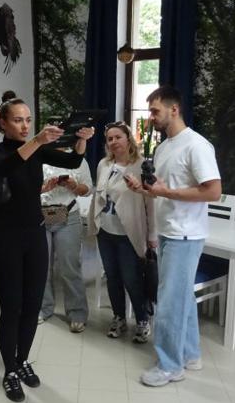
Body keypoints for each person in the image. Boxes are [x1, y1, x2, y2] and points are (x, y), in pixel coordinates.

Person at [0, 99, 94, 402]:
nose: (25, 125)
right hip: (5, 238)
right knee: (12, 307)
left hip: (34, 234)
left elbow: (73, 162)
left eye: (28, 119)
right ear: (3, 123)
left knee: (32, 306)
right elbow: (3, 168)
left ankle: (21, 361)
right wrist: (36, 140)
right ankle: (9, 370)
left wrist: (81, 140)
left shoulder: (37, 150)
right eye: (17, 120)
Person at [126, 86, 221, 386]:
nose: (151, 117)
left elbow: (213, 192)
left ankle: (170, 366)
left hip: (186, 235)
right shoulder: (164, 147)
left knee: (168, 302)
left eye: (155, 111)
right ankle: (191, 355)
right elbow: (162, 190)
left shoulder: (197, 145)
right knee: (182, 297)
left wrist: (165, 192)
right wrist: (143, 190)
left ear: (174, 109)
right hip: (168, 231)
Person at [88, 121, 156, 343]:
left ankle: (142, 320)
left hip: (129, 234)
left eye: (118, 137)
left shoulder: (141, 165)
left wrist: (152, 235)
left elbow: (150, 203)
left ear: (128, 139)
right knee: (112, 277)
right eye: (110, 139)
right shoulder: (104, 164)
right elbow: (98, 196)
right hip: (106, 231)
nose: (114, 142)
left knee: (132, 279)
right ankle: (118, 317)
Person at [39, 158, 93, 332]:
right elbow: (26, 187)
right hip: (40, 216)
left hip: (68, 215)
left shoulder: (78, 160)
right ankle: (43, 308)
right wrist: (44, 188)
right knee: (40, 266)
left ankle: (77, 312)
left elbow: (88, 189)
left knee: (70, 266)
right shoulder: (37, 155)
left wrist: (74, 186)